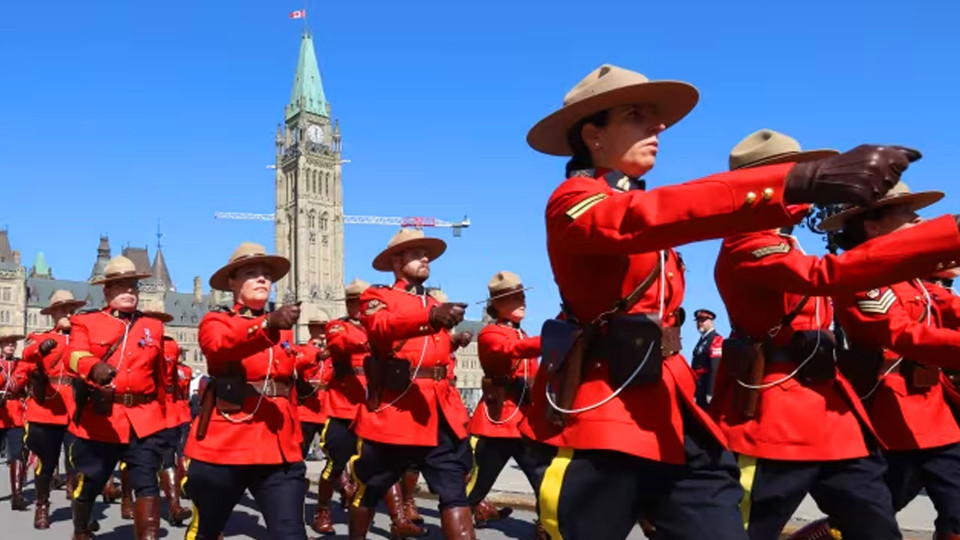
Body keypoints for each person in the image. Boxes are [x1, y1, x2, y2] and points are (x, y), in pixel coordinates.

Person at [519, 63, 920, 540]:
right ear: (593, 134)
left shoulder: (632, 206)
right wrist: (799, 180)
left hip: (673, 411)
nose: (659, 125)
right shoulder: (574, 199)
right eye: (636, 114)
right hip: (603, 413)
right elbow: (645, 217)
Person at [712, 129, 960, 540]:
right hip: (775, 416)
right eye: (799, 174)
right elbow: (827, 277)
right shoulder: (748, 245)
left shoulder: (787, 245)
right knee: (747, 529)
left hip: (833, 420)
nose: (812, 180)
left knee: (876, 527)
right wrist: (949, 231)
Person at [827, 185, 960, 539]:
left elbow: (949, 308)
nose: (920, 220)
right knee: (870, 519)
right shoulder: (859, 278)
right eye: (908, 214)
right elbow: (903, 335)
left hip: (934, 416)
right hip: (887, 417)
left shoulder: (910, 276)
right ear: (872, 226)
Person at [348, 228, 475, 539]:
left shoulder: (434, 302)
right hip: (397, 411)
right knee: (370, 486)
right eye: (417, 252)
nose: (425, 257)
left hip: (438, 413)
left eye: (427, 253)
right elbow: (379, 328)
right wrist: (430, 319)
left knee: (454, 491)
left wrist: (450, 336)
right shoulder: (378, 296)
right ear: (396, 259)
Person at [182, 242, 306, 540]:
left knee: (290, 533)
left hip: (278, 445)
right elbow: (219, 345)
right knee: (208, 530)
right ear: (232, 283)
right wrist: (266, 325)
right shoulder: (217, 320)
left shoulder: (284, 327)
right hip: (226, 443)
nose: (263, 279)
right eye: (252, 273)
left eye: (267, 274)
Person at [64, 255, 169, 538]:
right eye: (121, 286)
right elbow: (71, 355)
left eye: (133, 285)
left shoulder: (153, 327)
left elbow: (161, 378)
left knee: (147, 483)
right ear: (107, 292)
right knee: (91, 480)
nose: (129, 291)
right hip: (101, 418)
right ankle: (82, 529)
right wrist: (92, 366)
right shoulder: (87, 322)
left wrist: (163, 420)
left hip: (143, 420)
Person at [466, 271, 546, 531]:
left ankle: (546, 527)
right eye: (513, 298)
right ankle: (458, 523)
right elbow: (511, 351)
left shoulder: (523, 334)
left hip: (524, 421)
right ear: (496, 305)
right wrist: (552, 340)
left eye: (522, 296)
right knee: (476, 485)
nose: (522, 301)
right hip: (497, 421)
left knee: (544, 481)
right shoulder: (491, 333)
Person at [22, 289, 86, 527]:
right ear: (53, 314)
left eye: (72, 309)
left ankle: (81, 513)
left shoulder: (82, 340)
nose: (69, 314)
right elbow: (27, 356)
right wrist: (41, 349)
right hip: (48, 406)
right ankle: (41, 504)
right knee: (46, 463)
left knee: (78, 462)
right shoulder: (41, 337)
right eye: (63, 310)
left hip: (74, 408)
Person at [139, 299, 193, 527]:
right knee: (141, 460)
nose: (156, 325)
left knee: (167, 455)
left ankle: (173, 505)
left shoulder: (170, 346)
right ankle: (130, 501)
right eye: (152, 320)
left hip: (167, 408)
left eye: (159, 321)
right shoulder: (137, 342)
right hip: (141, 407)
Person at [295, 318, 333, 533]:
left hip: (326, 408)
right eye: (317, 333)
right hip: (306, 411)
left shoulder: (331, 355)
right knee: (298, 459)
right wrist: (315, 354)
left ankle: (341, 491)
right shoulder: (303, 350)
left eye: (323, 333)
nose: (321, 337)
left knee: (335, 456)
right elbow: (297, 366)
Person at [0, 328, 29, 511]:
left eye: (13, 342)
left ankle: (17, 494)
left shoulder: (23, 366)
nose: (11, 345)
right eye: (6, 342)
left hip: (16, 414)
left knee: (17, 453)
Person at [691, 309, 724, 408]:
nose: (699, 323)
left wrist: (710, 392)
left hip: (706, 387)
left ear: (711, 321)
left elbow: (715, 367)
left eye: (702, 320)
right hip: (698, 387)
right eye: (698, 320)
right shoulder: (702, 341)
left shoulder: (716, 339)